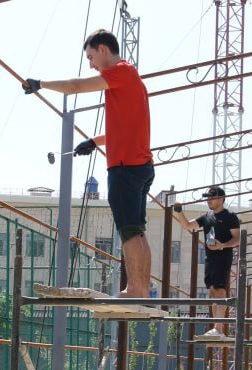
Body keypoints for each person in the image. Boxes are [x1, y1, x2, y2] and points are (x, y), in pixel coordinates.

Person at [23, 29, 154, 299]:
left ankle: (135, 289)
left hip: (124, 167)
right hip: (140, 165)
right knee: (138, 231)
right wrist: (94, 142)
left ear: (103, 49)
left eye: (91, 56)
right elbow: (126, 129)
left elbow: (75, 87)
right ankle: (142, 289)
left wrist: (41, 84)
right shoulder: (133, 79)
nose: (92, 64)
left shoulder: (121, 71)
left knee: (129, 231)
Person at [171, 186, 241, 341]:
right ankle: (217, 328)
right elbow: (189, 226)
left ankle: (219, 328)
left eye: (212, 197)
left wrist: (222, 245)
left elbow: (237, 238)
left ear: (222, 199)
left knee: (221, 290)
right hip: (210, 259)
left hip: (223, 258)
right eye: (208, 197)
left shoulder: (230, 217)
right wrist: (178, 212)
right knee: (213, 291)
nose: (209, 200)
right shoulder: (207, 217)